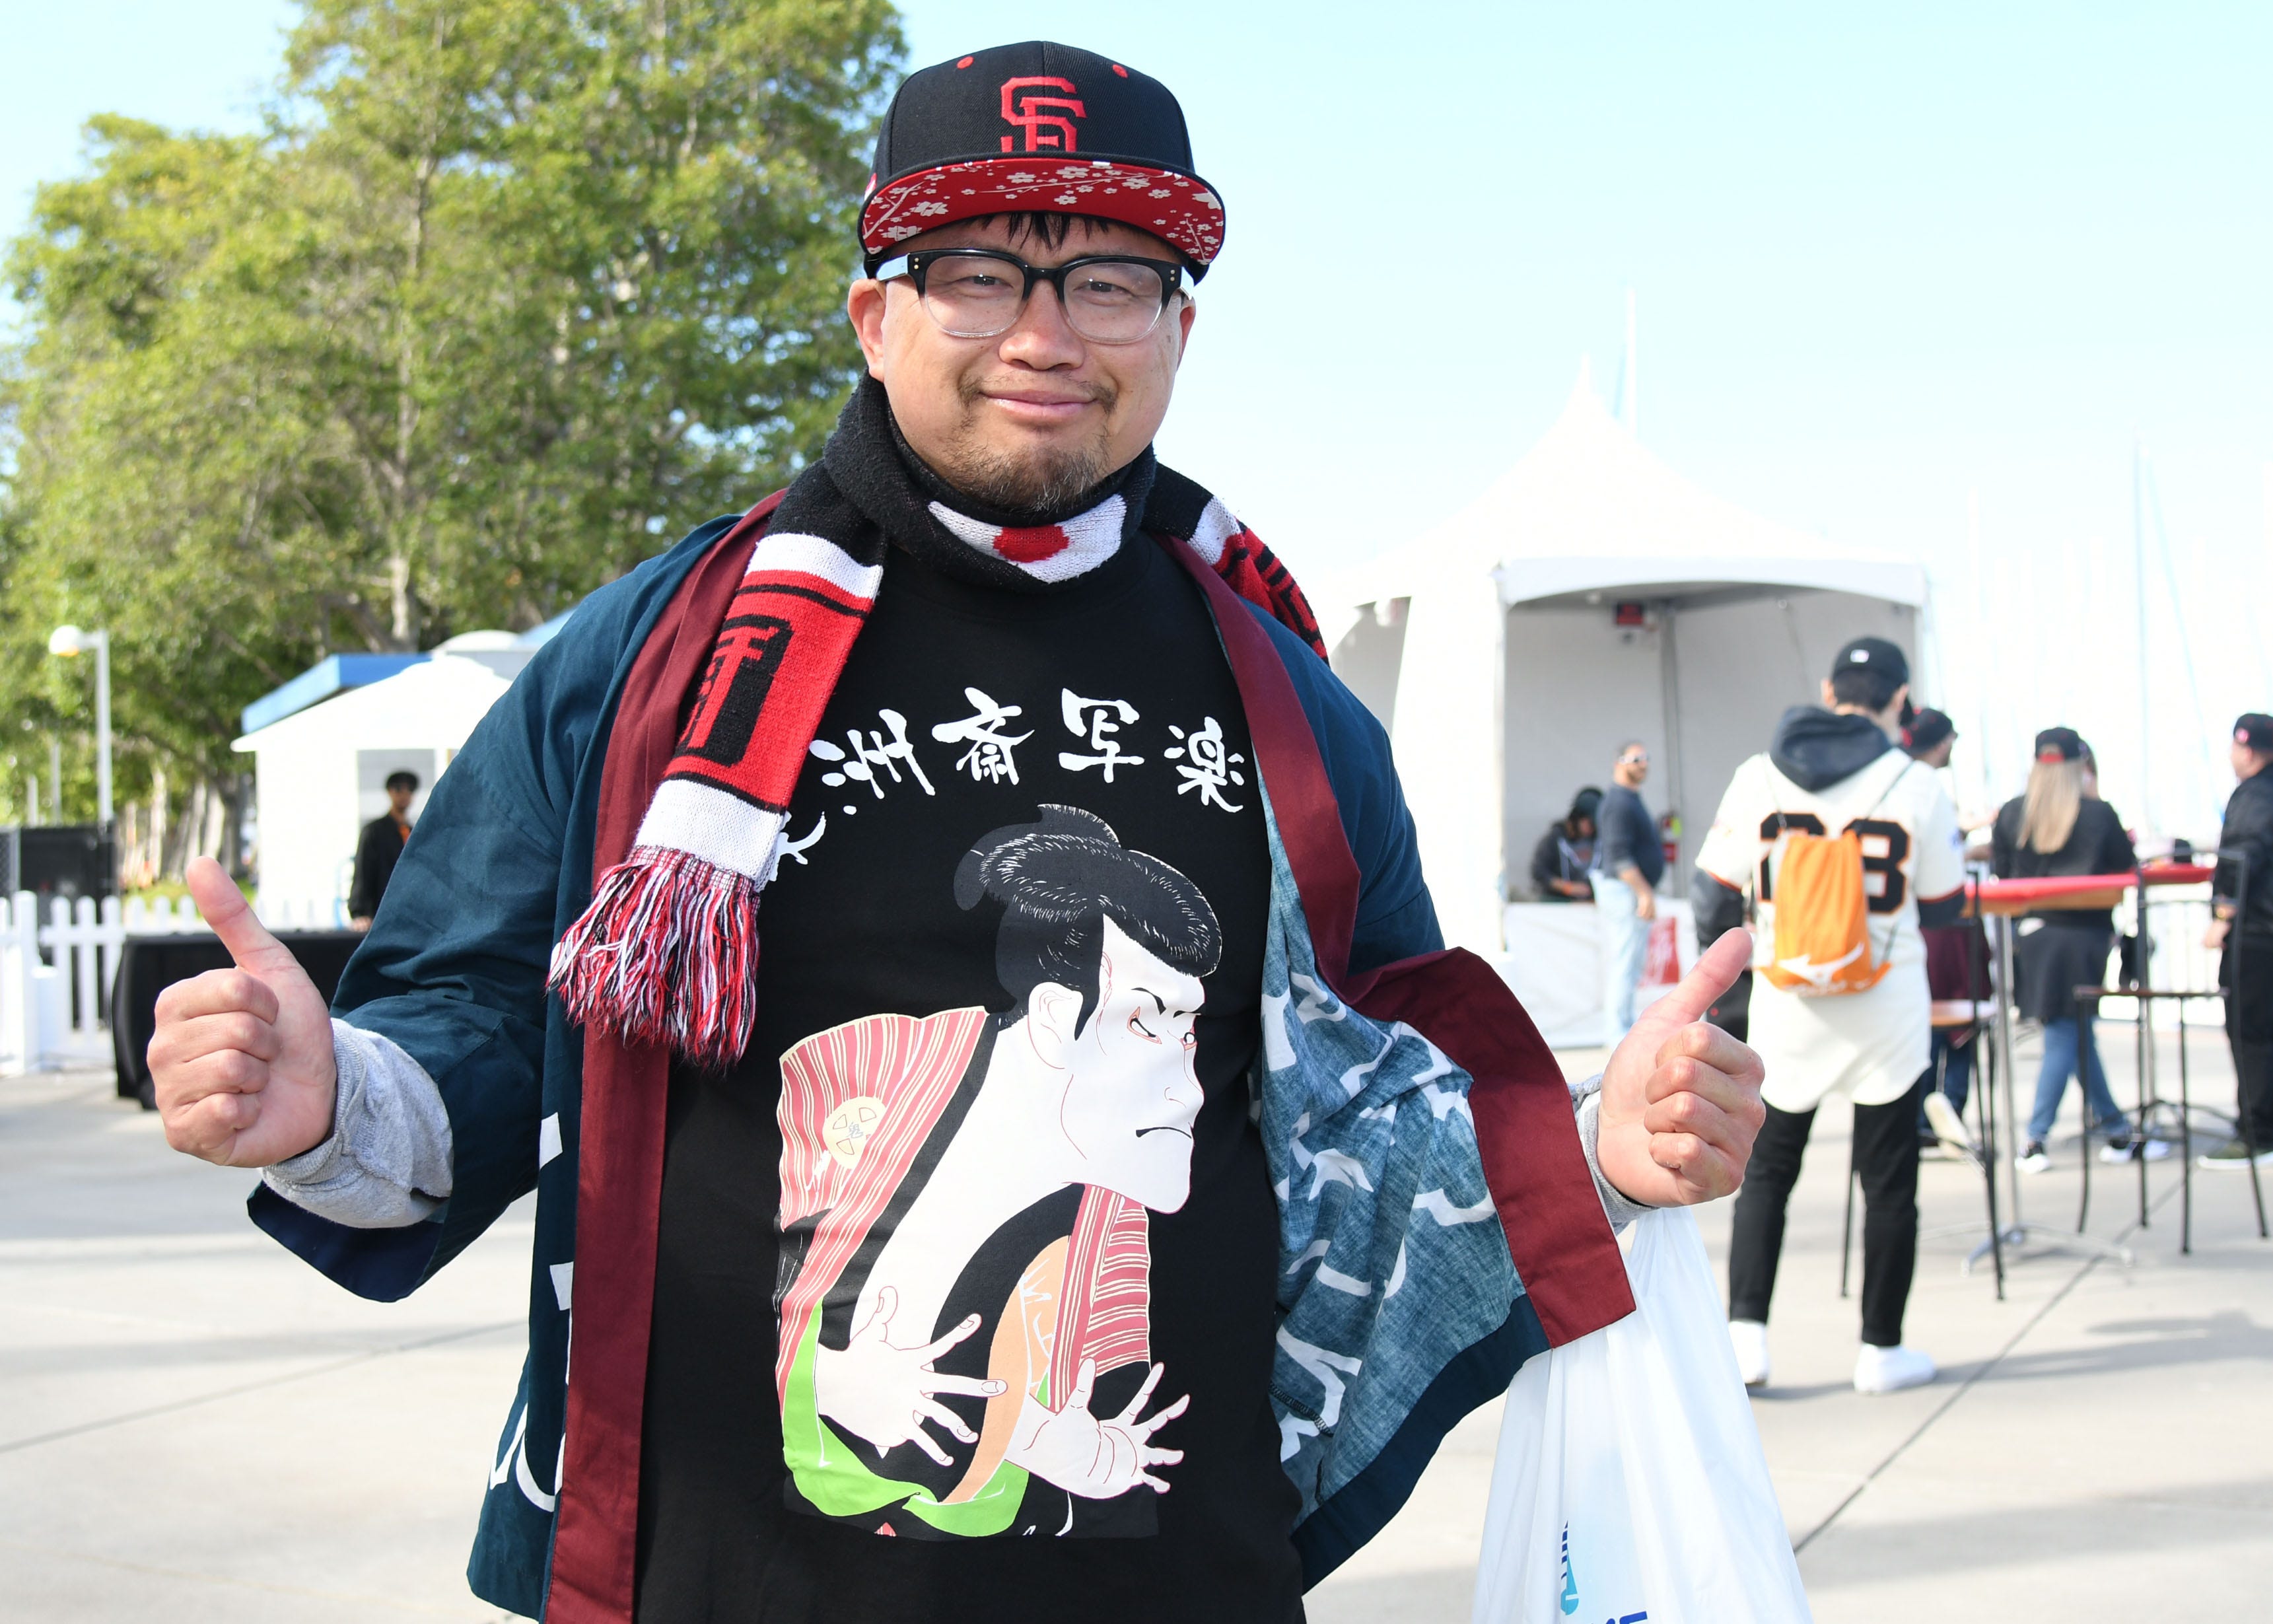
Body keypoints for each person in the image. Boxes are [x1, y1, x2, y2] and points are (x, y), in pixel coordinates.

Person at [143, 42, 1767, 1624]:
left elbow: (1375, 1101)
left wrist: (1599, 1147)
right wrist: (325, 1100)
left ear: (1177, 331)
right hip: (722, 1568)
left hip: (1163, 1559)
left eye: (1108, 280)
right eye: (978, 270)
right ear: (875, 311)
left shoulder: (1286, 696)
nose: (1045, 332)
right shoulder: (655, 659)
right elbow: (489, 1017)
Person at [1695, 637, 1963, 1395]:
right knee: (1888, 1183)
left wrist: (1731, 994)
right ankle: (1881, 1348)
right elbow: (1944, 907)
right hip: (1887, 1004)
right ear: (1900, 700)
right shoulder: (1917, 782)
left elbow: (1714, 891)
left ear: (1827, 688)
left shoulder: (1757, 775)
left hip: (1787, 1000)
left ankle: (1746, 1337)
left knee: (1769, 1174)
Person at [1991, 728, 2164, 1172]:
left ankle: (2117, 1129)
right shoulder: (2098, 813)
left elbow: (2002, 876)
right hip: (2083, 938)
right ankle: (2035, 1137)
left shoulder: (2012, 813)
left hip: (2032, 936)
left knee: (2075, 1033)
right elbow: (2126, 868)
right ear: (2079, 765)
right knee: (2065, 1034)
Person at [1902, 710, 1982, 1151]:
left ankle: (1926, 1116)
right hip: (1941, 926)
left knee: (1930, 1022)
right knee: (1956, 1017)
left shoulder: (1893, 782)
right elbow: (1942, 878)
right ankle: (1947, 1108)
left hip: (1920, 930)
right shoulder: (1924, 787)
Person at [2202, 712, 2273, 1170]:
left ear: (2246, 749)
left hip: (2257, 932)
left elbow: (2243, 855)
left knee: (2250, 1032)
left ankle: (2257, 1131)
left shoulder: (2253, 795)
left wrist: (2223, 915)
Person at [1591, 742, 1663, 1041]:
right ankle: (1618, 1034)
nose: (1643, 764)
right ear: (1619, 762)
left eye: (1645, 758)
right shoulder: (1618, 803)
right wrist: (1644, 893)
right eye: (1636, 759)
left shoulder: (1629, 799)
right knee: (1624, 962)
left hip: (1627, 890)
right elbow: (1619, 856)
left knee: (1629, 964)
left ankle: (1622, 1030)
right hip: (1624, 890)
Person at [347, 769, 418, 928]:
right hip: (379, 915)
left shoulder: (414, 832)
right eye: (399, 789)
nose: (404, 794)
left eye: (410, 790)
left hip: (409, 915)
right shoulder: (374, 831)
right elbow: (363, 871)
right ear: (390, 792)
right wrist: (360, 912)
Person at [1527, 786, 1601, 901]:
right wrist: (1568, 888)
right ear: (1578, 818)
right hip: (1561, 904)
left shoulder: (1598, 841)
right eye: (1590, 823)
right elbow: (1539, 872)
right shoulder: (1555, 839)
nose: (1592, 829)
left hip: (1591, 903)